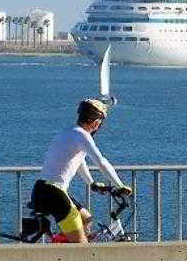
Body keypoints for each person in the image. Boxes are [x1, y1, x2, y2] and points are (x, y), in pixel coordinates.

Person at [30, 98, 132, 243]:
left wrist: (92, 183)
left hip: (44, 189)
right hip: (53, 193)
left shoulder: (69, 132)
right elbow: (101, 162)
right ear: (97, 122)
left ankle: (61, 244)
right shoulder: (82, 135)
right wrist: (120, 185)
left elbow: (78, 162)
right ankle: (74, 253)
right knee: (81, 247)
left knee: (86, 218)